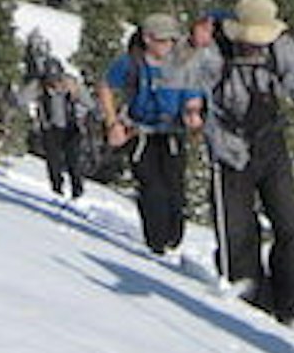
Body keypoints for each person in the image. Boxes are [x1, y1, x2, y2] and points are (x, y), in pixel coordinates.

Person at [179, 0, 294, 325]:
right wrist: (193, 47)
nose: (254, 46)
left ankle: (293, 304)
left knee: (291, 228)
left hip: (270, 145)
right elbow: (178, 77)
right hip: (228, 148)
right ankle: (251, 302)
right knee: (236, 232)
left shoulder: (281, 48)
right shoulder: (213, 47)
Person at [98, 13, 205, 254]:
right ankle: (155, 244)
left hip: (172, 133)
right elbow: (106, 87)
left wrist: (193, 115)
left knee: (175, 190)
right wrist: (112, 122)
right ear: (148, 39)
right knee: (151, 188)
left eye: (172, 41)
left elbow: (193, 93)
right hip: (140, 133)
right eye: (163, 40)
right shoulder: (131, 63)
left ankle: (172, 239)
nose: (168, 46)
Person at [25, 62, 92, 200]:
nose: (55, 84)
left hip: (72, 127)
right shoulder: (40, 87)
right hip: (50, 127)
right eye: (51, 80)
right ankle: (57, 189)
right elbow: (21, 99)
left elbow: (90, 104)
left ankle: (77, 191)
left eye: (57, 79)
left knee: (73, 160)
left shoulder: (72, 85)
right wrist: (34, 86)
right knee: (53, 160)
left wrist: (77, 90)